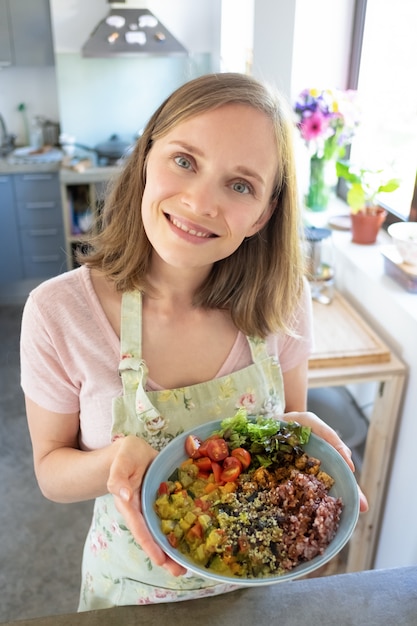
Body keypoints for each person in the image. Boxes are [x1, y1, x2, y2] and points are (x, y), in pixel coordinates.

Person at [20, 72, 367, 610]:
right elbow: (49, 470)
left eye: (240, 185)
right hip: (129, 597)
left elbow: (284, 433)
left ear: (264, 214)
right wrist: (114, 460)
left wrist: (298, 439)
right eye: (185, 160)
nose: (200, 202)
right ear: (145, 156)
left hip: (255, 587)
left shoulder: (283, 300)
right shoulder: (58, 312)